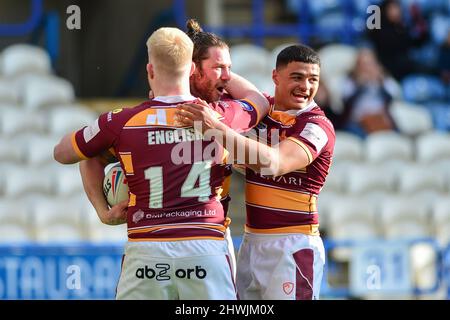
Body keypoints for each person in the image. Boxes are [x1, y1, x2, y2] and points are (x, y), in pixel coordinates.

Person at [54, 27, 268, 300]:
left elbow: (63, 153)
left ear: (150, 70)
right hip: (205, 247)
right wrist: (220, 71)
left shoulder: (120, 122)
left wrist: (103, 211)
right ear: (192, 69)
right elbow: (258, 100)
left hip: (147, 248)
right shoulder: (219, 116)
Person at [176, 44, 335, 300]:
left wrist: (214, 128)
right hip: (251, 241)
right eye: (297, 77)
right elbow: (223, 79)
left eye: (313, 79)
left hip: (293, 245)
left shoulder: (316, 126)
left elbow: (275, 163)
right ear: (275, 77)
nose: (305, 86)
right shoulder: (261, 109)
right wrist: (196, 47)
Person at [336, 48, 399, 138]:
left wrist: (381, 84)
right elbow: (345, 103)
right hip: (357, 121)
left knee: (397, 134)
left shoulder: (383, 78)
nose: (366, 68)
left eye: (370, 63)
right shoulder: (350, 79)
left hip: (380, 119)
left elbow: (393, 98)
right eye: (363, 64)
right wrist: (359, 86)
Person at [367, 0, 429, 80]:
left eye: (397, 8)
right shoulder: (379, 29)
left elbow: (416, 43)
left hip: (404, 69)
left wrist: (418, 20)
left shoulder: (401, 28)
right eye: (392, 8)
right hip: (387, 70)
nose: (396, 12)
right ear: (385, 10)